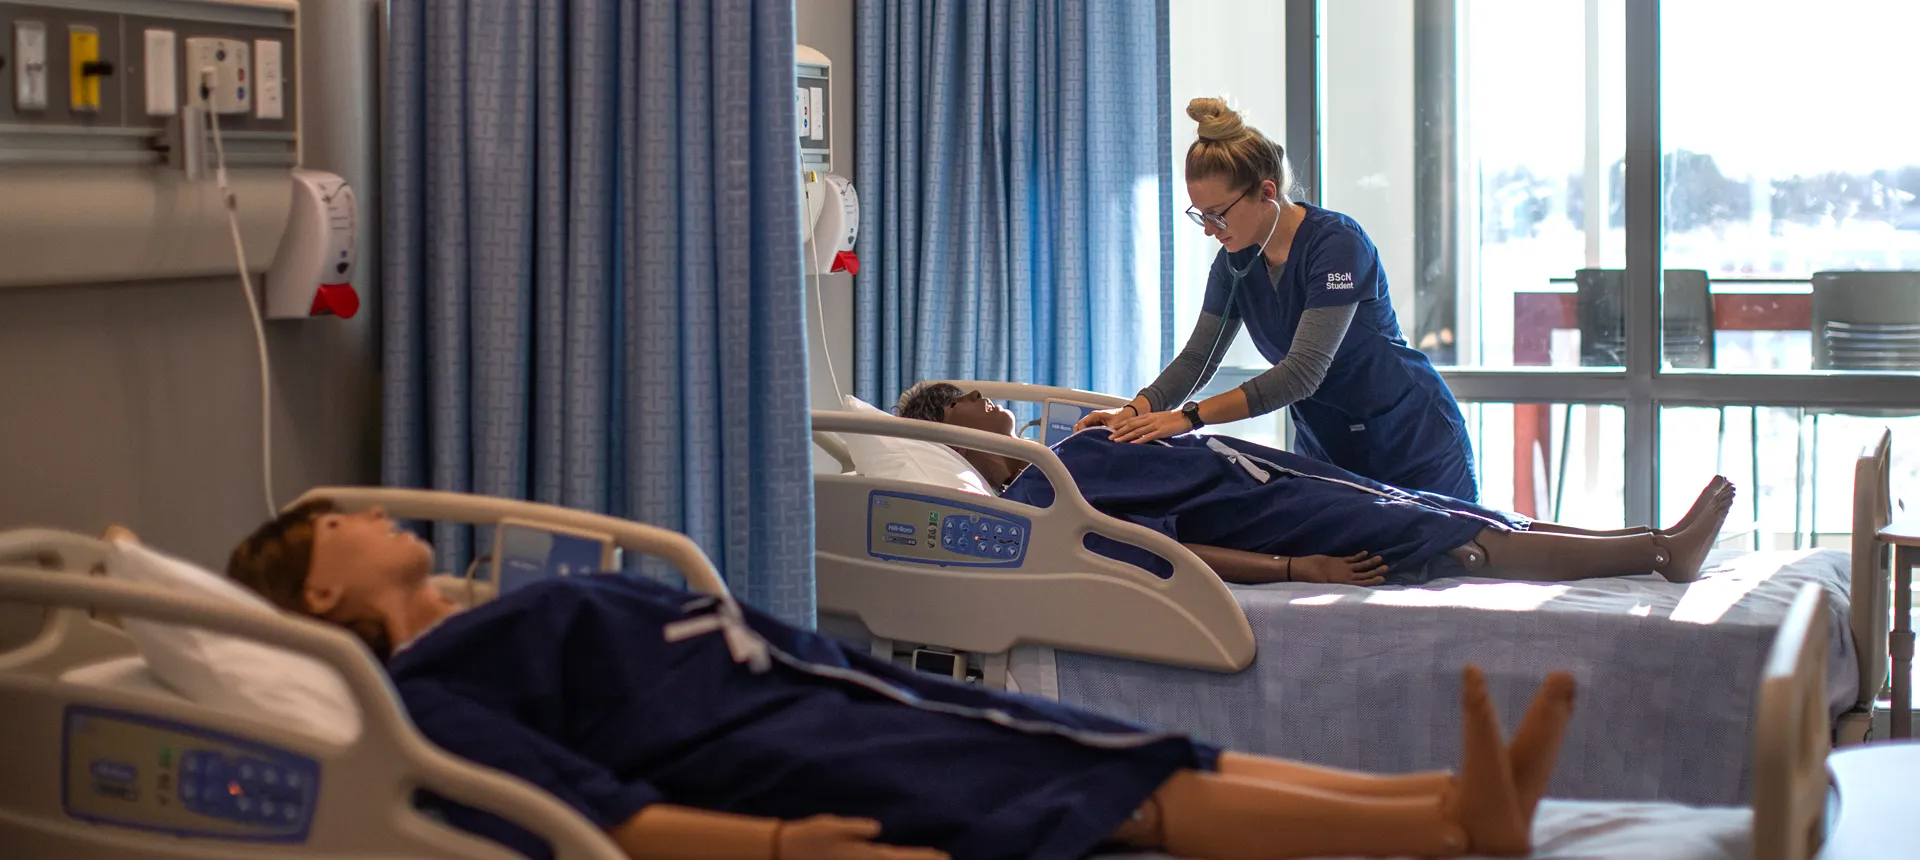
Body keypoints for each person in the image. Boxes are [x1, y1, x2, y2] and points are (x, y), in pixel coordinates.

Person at [203, 500, 1582, 860]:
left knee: (1110, 746)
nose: (371, 517)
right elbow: (590, 816)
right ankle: (1446, 826)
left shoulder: (486, 615)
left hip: (814, 691)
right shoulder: (423, 698)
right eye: (342, 524)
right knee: (1106, 794)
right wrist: (779, 846)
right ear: (323, 593)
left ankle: (1440, 795)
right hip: (775, 751)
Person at [899, 382, 1735, 588]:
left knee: (1457, 510)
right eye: (973, 402)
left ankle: (1653, 538)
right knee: (1457, 544)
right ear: (947, 428)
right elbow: (1161, 551)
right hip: (1272, 520)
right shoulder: (1035, 501)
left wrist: (1123, 420)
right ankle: (1661, 556)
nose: (993, 400)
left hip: (1274, 477)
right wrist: (1300, 572)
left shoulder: (1065, 446)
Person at [1078, 97, 1482, 500]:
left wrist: (1189, 417)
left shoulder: (1337, 244)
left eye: (1217, 214)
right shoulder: (1235, 262)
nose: (1208, 230)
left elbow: (1302, 373)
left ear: (1266, 192)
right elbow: (1196, 359)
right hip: (1328, 446)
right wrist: (1134, 412)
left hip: (1410, 441)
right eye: (1200, 215)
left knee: (1445, 561)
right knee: (1348, 562)